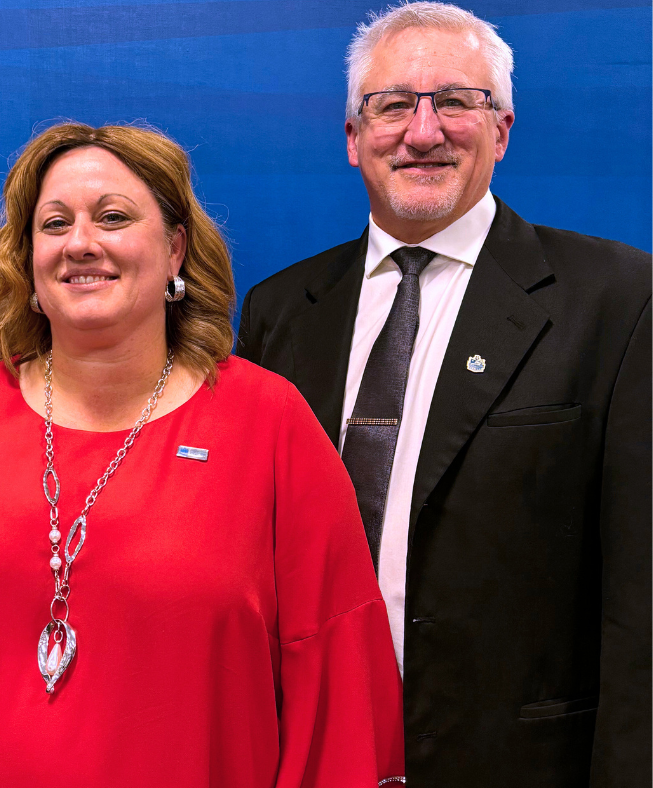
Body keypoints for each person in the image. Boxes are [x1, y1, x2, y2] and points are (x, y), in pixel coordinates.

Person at [0, 122, 406, 787]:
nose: (81, 243)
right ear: (27, 263)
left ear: (175, 250)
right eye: (54, 225)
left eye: (113, 217)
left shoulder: (270, 423)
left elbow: (336, 693)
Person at [237, 2, 651, 786]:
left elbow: (644, 602)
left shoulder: (620, 302)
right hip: (313, 752)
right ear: (353, 137)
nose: (422, 132)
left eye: (456, 101)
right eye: (393, 105)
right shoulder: (279, 313)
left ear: (502, 130)